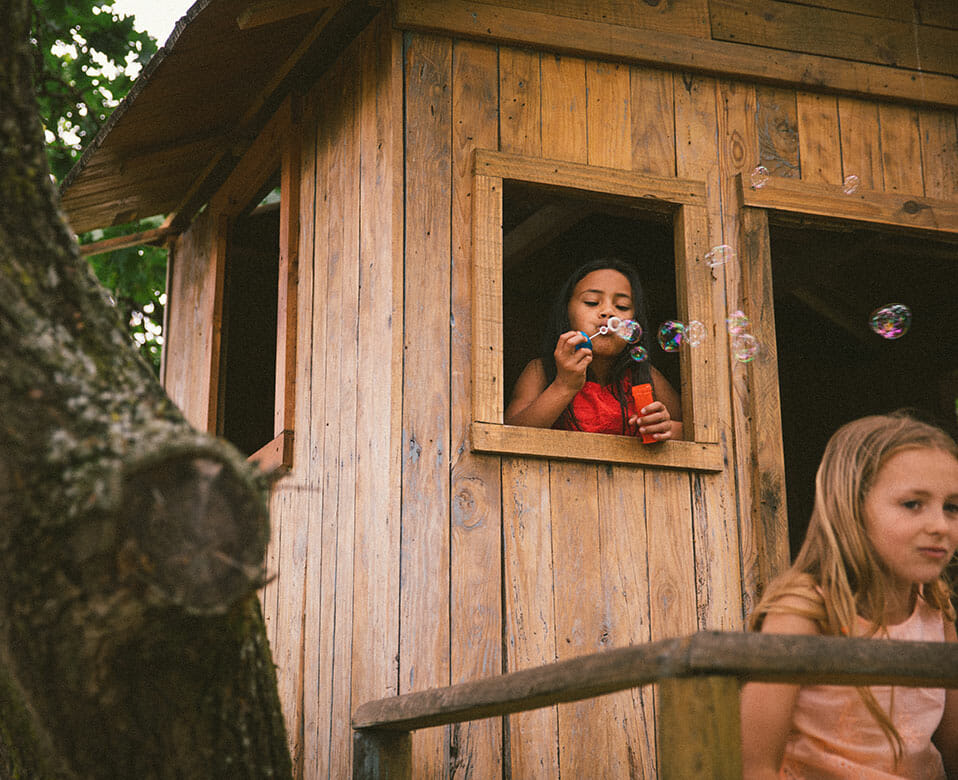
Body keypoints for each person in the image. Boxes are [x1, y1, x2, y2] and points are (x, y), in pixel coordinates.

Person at [740, 412, 958, 779]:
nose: (939, 525)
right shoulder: (805, 612)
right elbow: (754, 765)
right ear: (852, 508)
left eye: (951, 507)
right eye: (912, 504)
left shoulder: (935, 610)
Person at [504, 258, 682, 440]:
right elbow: (509, 436)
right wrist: (564, 385)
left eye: (622, 306)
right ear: (566, 313)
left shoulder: (645, 375)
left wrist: (665, 428)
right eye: (591, 302)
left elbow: (695, 432)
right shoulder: (540, 370)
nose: (608, 312)